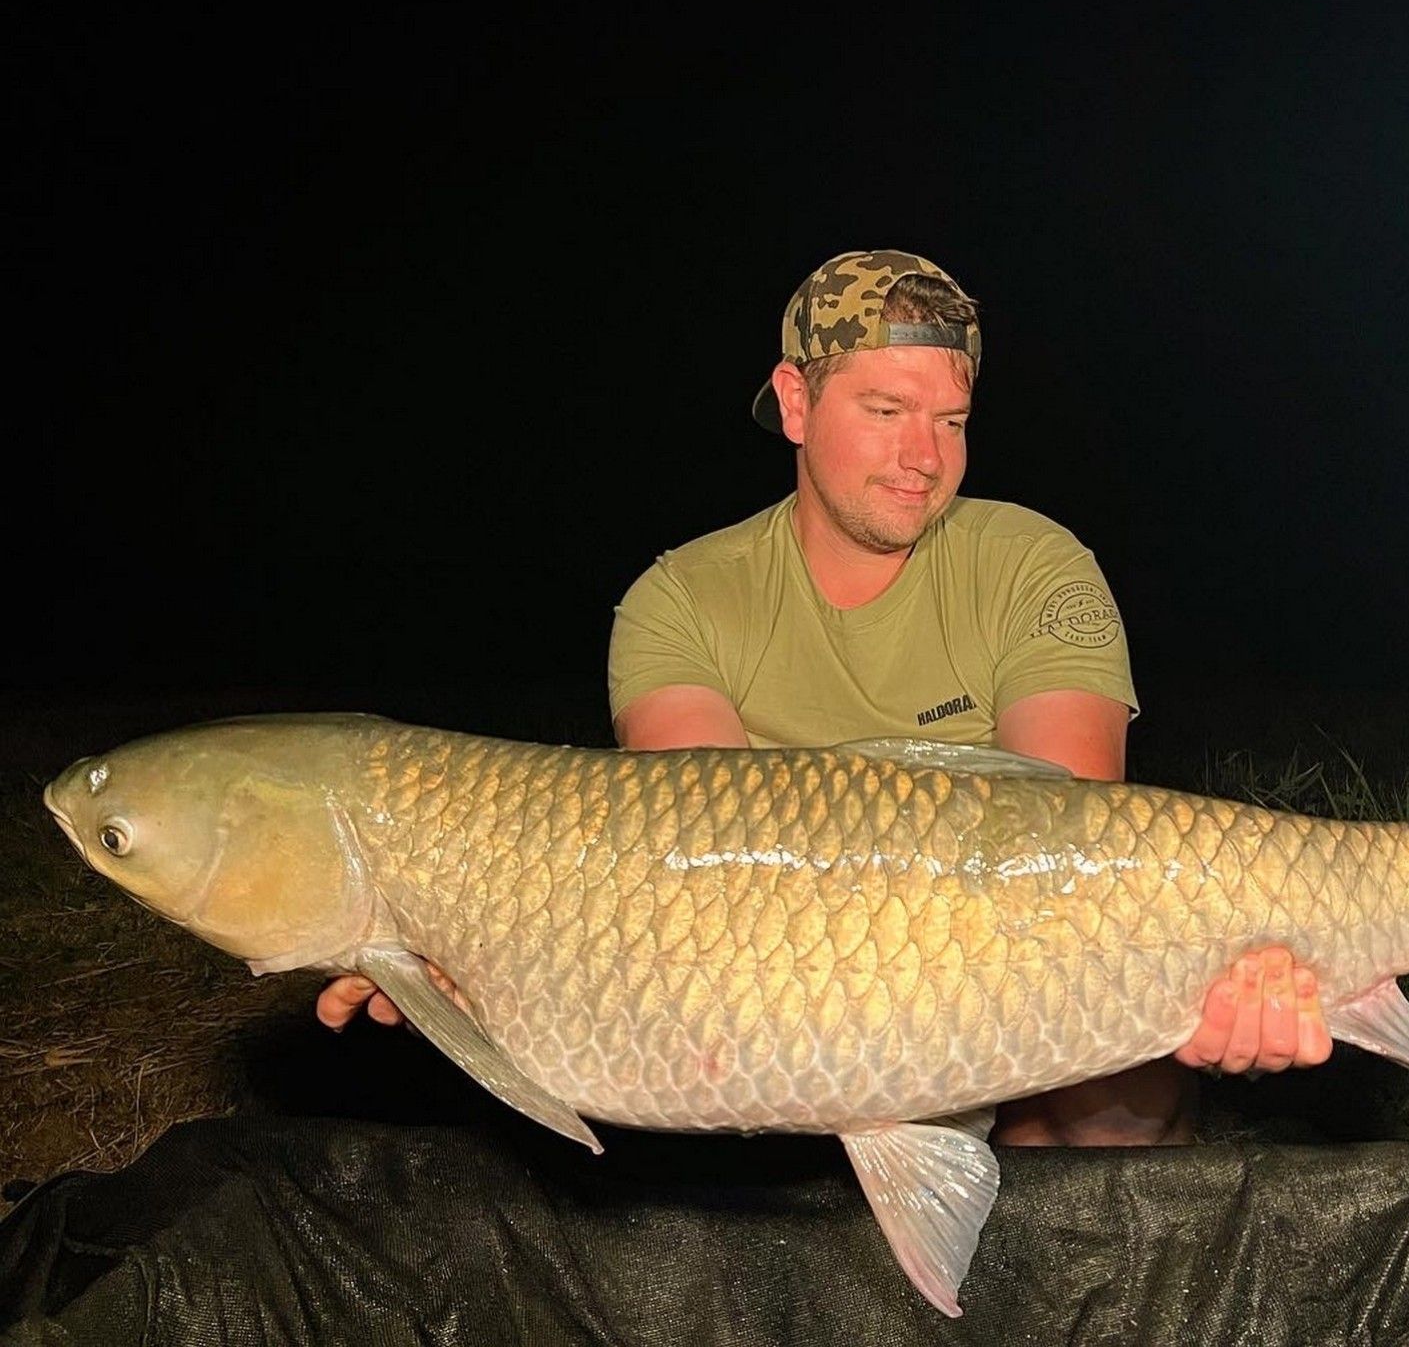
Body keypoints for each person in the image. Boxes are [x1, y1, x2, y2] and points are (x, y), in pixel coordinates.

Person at [317, 249, 1330, 1145]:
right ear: (795, 404)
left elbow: (1064, 852)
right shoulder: (681, 599)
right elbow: (681, 892)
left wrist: (1216, 982)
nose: (923, 457)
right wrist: (463, 967)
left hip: (1011, 968)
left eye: (949, 419)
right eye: (883, 412)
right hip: (769, 1008)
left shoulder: (1032, 564)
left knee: (1124, 1089)